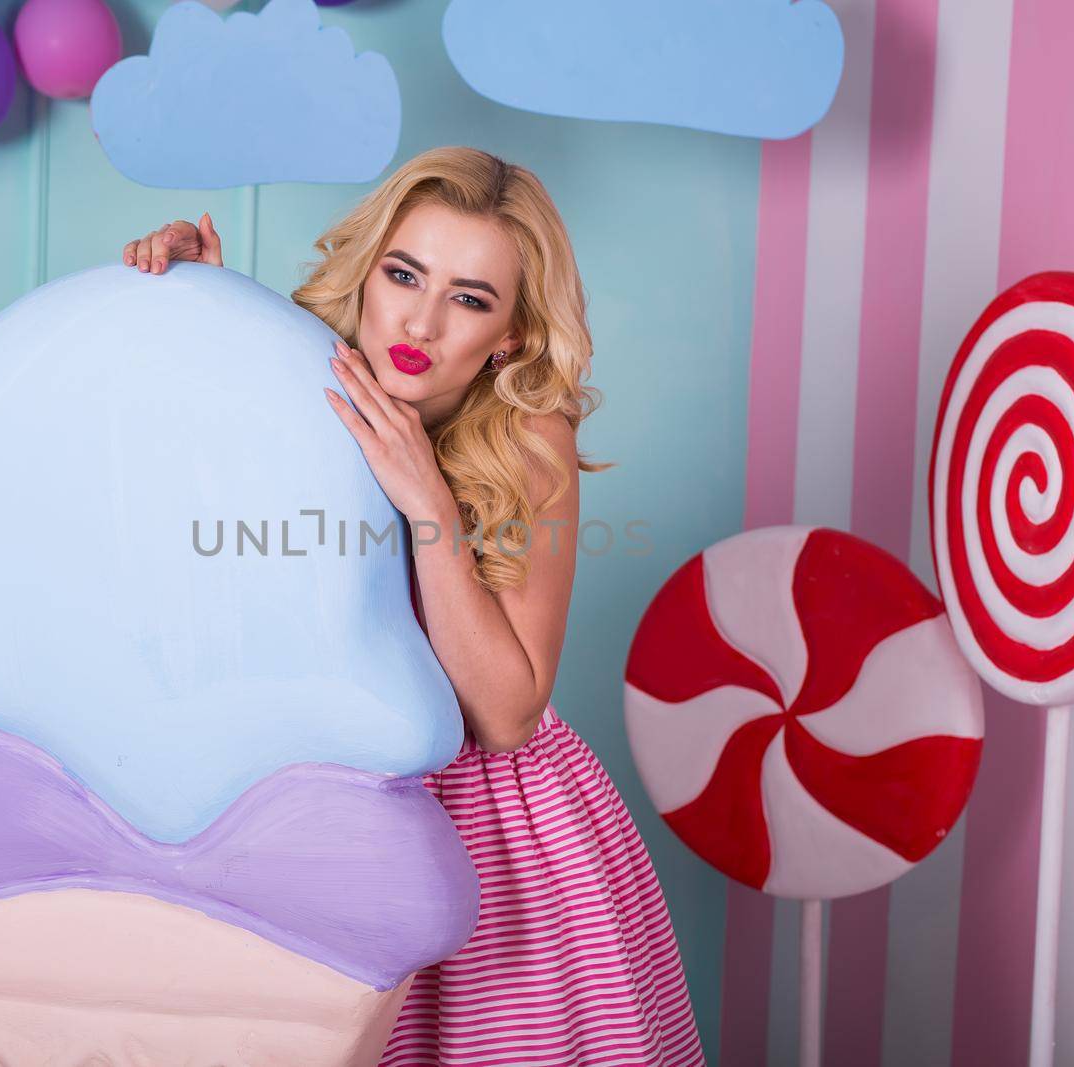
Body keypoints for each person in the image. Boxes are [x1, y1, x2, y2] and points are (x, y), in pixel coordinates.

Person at [126, 146, 705, 1066]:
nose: (422, 321)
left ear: (509, 335)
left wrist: (429, 501)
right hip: (320, 804)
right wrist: (195, 305)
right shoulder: (299, 381)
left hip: (493, 837)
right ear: (369, 274)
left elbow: (508, 714)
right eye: (404, 275)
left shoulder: (528, 438)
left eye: (471, 299)